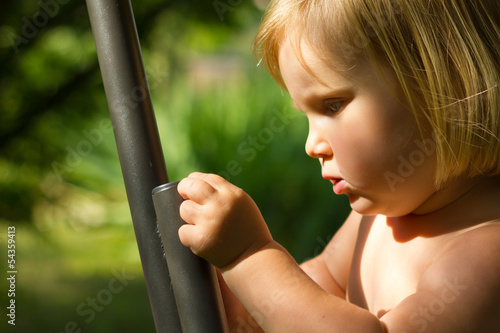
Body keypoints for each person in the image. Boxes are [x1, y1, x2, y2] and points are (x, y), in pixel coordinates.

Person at [177, 0, 500, 331]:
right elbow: (321, 286)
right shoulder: (375, 217)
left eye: (332, 105)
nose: (311, 145)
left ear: (447, 84)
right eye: (307, 115)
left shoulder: (486, 254)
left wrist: (248, 257)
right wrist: (239, 307)